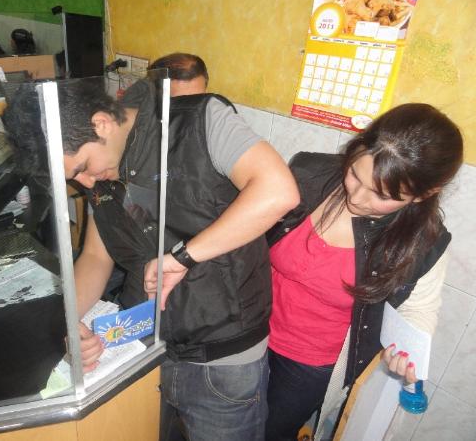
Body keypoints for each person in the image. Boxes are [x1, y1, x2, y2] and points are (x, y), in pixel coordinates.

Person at [60, 71, 299, 440]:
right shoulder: (104, 170)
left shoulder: (199, 120)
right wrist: (66, 320)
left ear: (101, 123)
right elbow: (95, 256)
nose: (85, 183)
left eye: (81, 168)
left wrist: (183, 257)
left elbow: (278, 191)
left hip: (220, 357)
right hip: (146, 345)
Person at [263, 103, 463, 441]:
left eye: (381, 195)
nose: (356, 197)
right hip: (248, 331)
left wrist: (408, 354)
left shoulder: (423, 241)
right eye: (355, 174)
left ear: (422, 195)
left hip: (308, 365)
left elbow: (419, 310)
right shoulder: (309, 173)